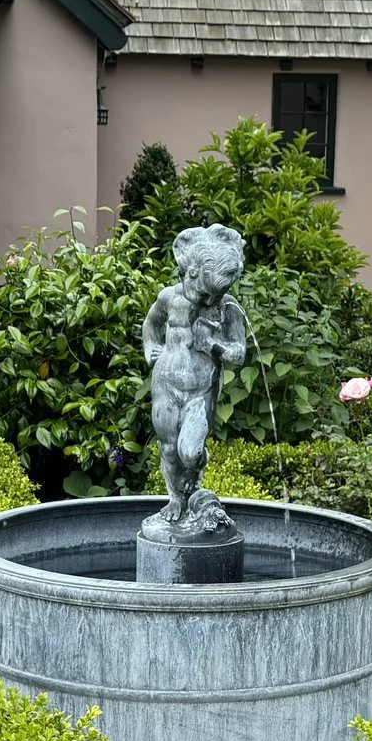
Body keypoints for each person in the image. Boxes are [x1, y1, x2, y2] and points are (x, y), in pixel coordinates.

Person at [141, 224, 250, 534]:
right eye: (202, 291)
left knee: (190, 452)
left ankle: (197, 467)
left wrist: (213, 345)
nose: (206, 299)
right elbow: (151, 324)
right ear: (187, 270)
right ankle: (176, 498)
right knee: (169, 448)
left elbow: (238, 353)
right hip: (166, 383)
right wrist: (151, 348)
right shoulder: (168, 298)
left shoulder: (228, 309)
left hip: (200, 391)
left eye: (214, 294)